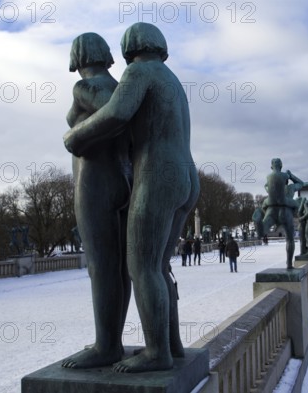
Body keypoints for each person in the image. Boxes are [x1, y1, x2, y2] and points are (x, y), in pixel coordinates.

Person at [64, 23, 199, 373]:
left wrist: (75, 137)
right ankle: (172, 345)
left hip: (158, 174)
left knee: (142, 267)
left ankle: (157, 353)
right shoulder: (170, 78)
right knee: (159, 266)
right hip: (186, 175)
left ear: (129, 47)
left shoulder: (140, 71)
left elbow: (117, 114)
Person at [61, 33, 132, 370]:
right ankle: (111, 340)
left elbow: (114, 119)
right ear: (103, 53)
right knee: (120, 268)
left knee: (101, 266)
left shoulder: (86, 87)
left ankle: (106, 345)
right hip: (124, 177)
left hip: (95, 180)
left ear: (77, 56)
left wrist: (74, 135)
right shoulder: (120, 84)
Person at [253, 158, 303, 269]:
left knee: (263, 230)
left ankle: (259, 225)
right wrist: (291, 176)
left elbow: (266, 186)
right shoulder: (290, 188)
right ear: (281, 166)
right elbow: (301, 184)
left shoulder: (269, 185)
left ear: (272, 167)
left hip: (271, 209)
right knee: (289, 239)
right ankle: (289, 264)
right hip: (286, 211)